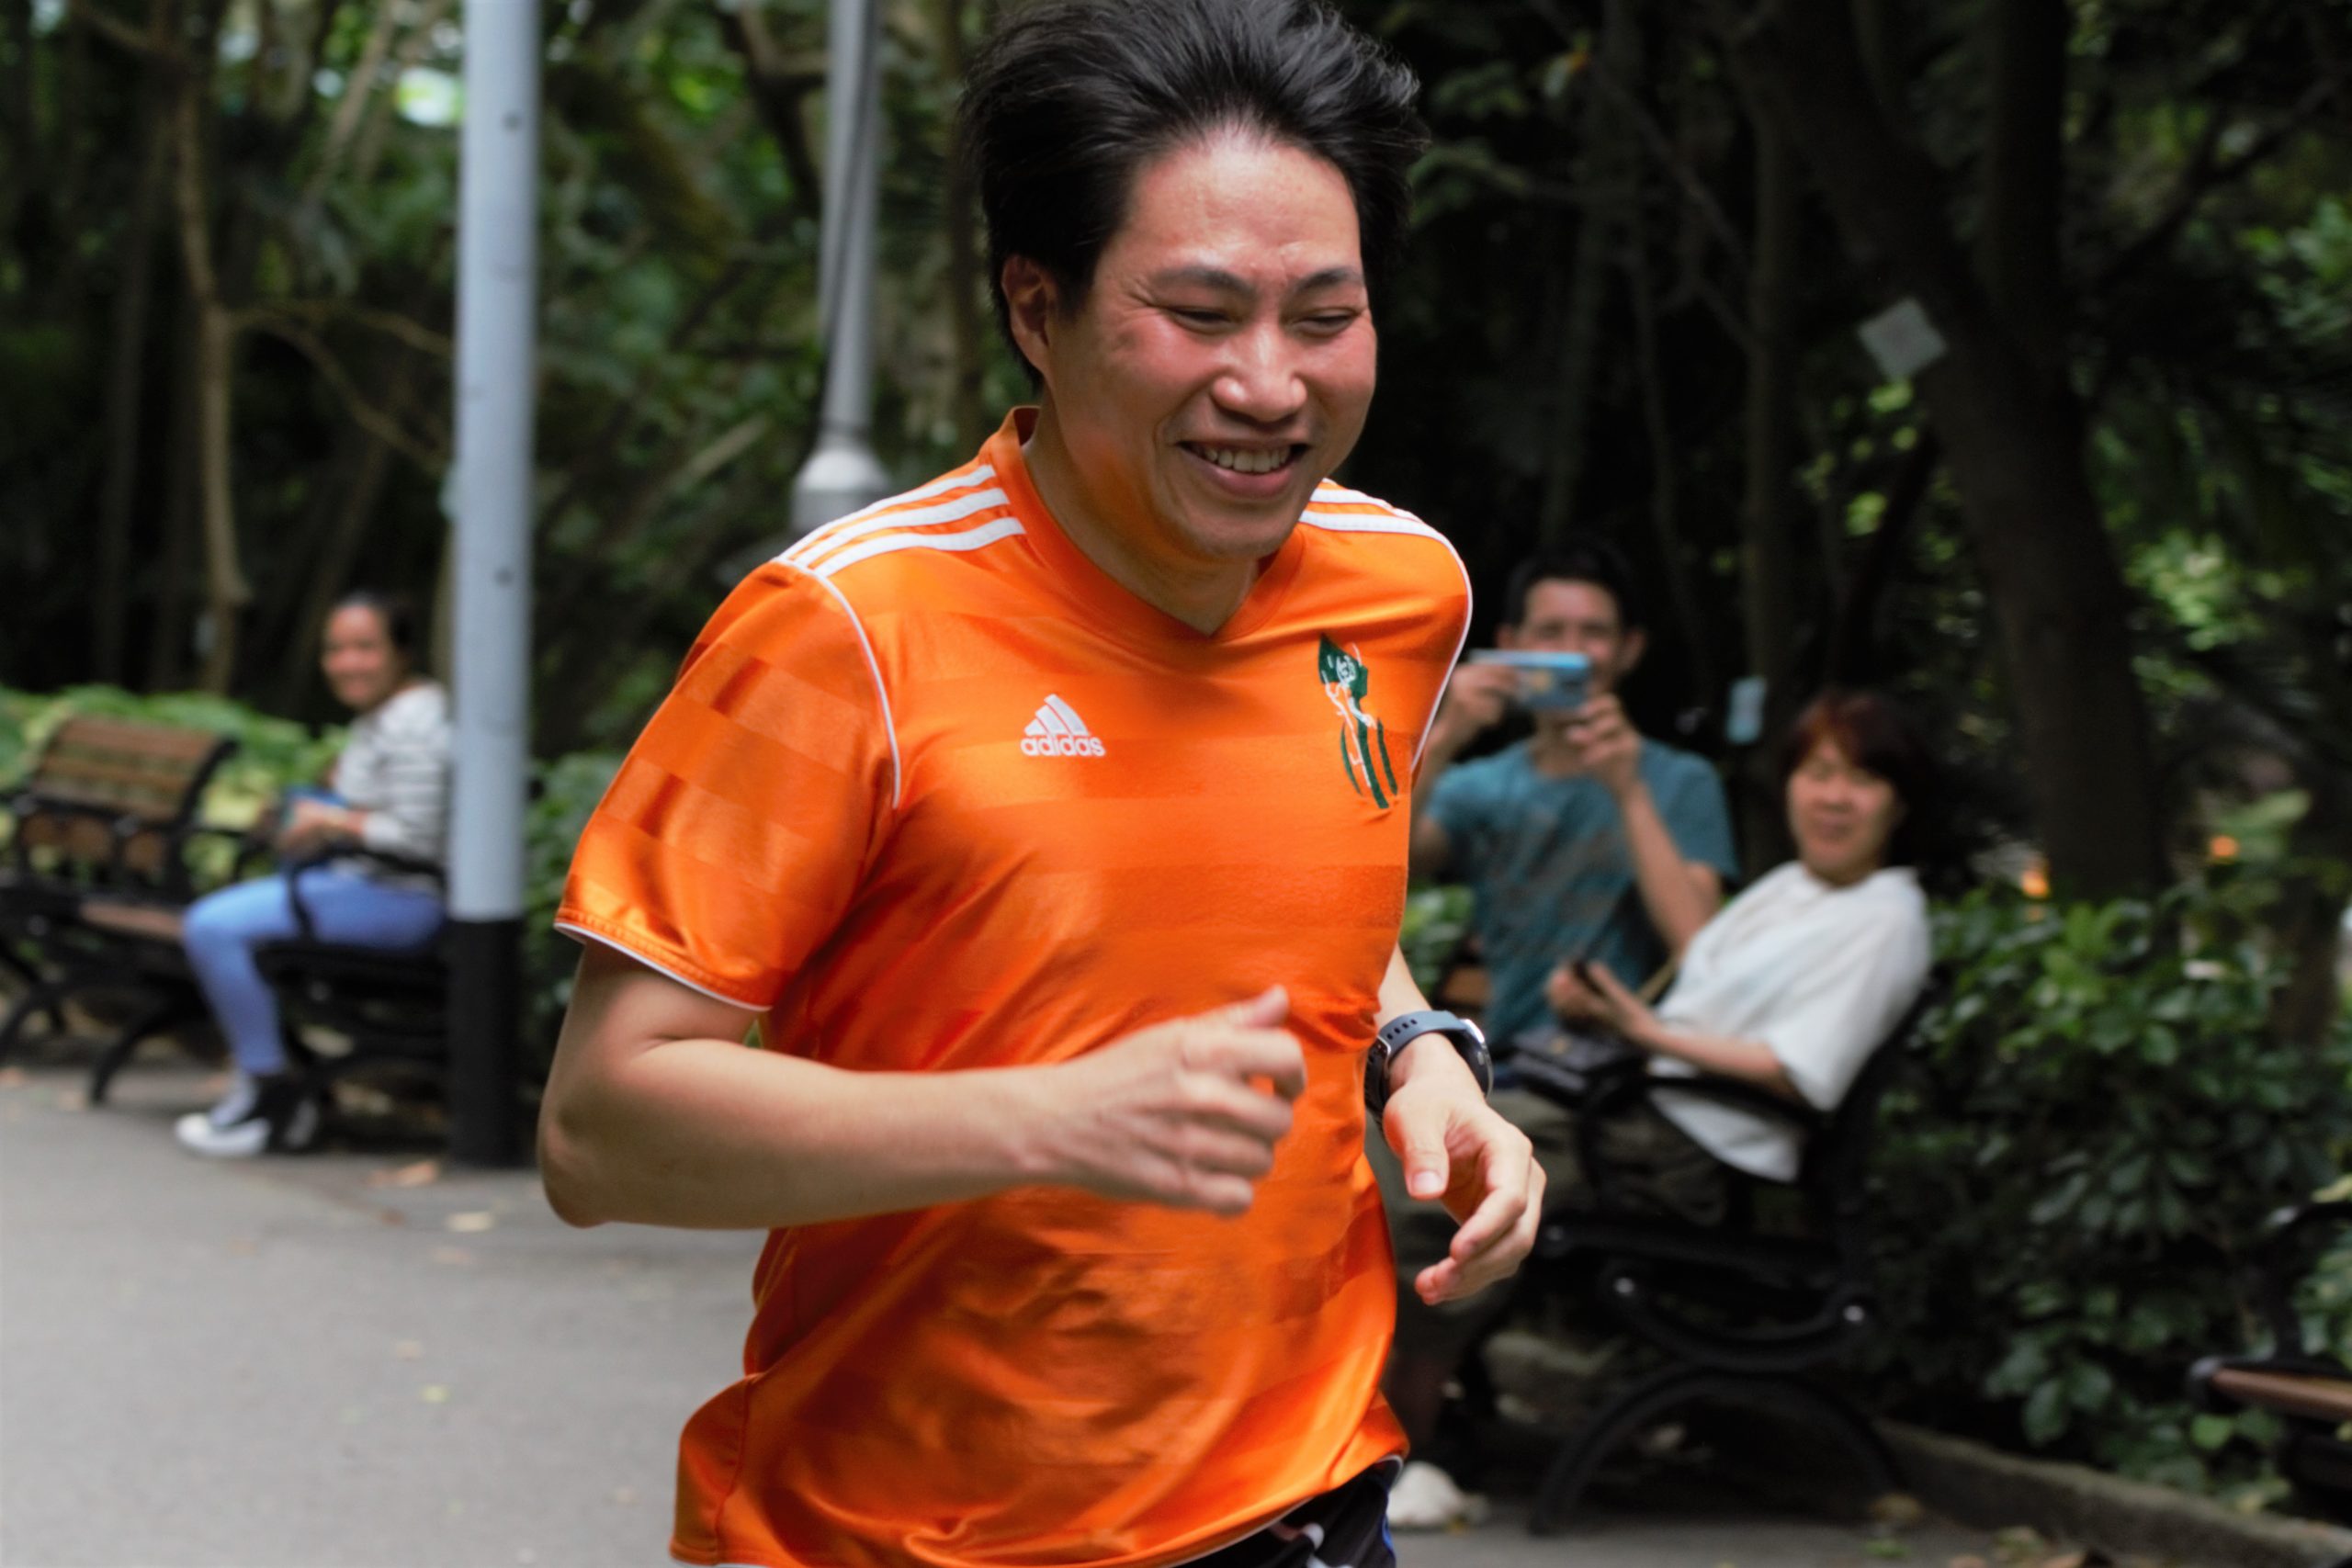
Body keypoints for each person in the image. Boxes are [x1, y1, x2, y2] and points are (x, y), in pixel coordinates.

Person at [537, 5, 1541, 1565]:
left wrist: (1419, 1051)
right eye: (1199, 312)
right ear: (1037, 306)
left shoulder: (1403, 589)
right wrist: (1041, 1116)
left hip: (1314, 1508)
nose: (1269, 385)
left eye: (1324, 315)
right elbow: (601, 1127)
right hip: (907, 1536)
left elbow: (1279, 884)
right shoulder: (846, 630)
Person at [1386, 688, 1938, 1527]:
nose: (1834, 796)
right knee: (1405, 1148)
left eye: (1861, 779)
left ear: (1899, 802)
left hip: (1676, 1147)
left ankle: (1405, 1440)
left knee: (1430, 1176)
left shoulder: (1888, 918)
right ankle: (1396, 1431)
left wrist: (1643, 1031)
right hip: (1633, 1111)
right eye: (1819, 771)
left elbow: (1798, 1071)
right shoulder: (1794, 887)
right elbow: (1704, 978)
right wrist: (1615, 1013)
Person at [1376, 541, 1737, 1525]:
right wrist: (1449, 730)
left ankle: (1400, 1438)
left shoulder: (1675, 780)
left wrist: (1625, 788)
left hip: (1621, 1091)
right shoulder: (1486, 783)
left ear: (1629, 650)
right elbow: (1368, 864)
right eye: (1550, 633)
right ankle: (1367, 1426)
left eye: (1593, 634)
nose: (1571, 653)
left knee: (1428, 1187)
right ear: (1509, 643)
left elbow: (1702, 946)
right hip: (1511, 1070)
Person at [174, 591, 450, 1158]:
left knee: (213, 927)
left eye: (365, 647)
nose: (347, 663)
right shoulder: (387, 716)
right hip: (359, 885)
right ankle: (268, 1085)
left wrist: (329, 821)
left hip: (404, 899)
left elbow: (416, 838)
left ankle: (269, 1094)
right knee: (217, 923)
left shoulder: (416, 724)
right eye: (336, 649)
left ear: (401, 653)